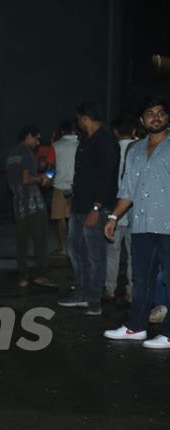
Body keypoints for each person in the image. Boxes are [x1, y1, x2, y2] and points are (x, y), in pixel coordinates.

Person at [103, 97, 170, 348]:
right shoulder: (135, 150)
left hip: (168, 225)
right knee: (141, 279)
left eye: (161, 113)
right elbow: (128, 189)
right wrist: (113, 217)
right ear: (141, 121)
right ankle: (136, 327)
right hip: (141, 225)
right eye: (150, 113)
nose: (156, 117)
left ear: (167, 118)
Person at [57, 101, 119, 316]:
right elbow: (83, 175)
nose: (78, 123)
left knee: (95, 254)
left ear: (85, 118)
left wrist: (96, 207)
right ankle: (81, 292)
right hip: (79, 204)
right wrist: (72, 200)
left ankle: (94, 298)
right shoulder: (86, 140)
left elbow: (108, 177)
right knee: (75, 250)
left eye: (79, 119)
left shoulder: (106, 139)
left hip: (95, 207)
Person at [6, 125, 55, 288]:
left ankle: (23, 277)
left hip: (18, 205)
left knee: (22, 243)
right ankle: (41, 275)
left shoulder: (12, 153)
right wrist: (42, 179)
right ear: (28, 136)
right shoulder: (27, 152)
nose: (38, 142)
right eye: (37, 138)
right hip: (33, 205)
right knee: (40, 241)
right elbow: (26, 179)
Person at [104, 115, 137, 302]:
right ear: (134, 130)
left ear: (115, 132)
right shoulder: (142, 148)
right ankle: (131, 292)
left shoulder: (111, 149)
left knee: (112, 252)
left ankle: (110, 288)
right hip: (133, 209)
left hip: (114, 209)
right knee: (133, 254)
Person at [50, 121, 79, 256]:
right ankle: (76, 247)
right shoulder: (81, 145)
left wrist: (47, 177)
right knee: (75, 218)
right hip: (77, 186)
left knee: (60, 218)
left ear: (61, 131)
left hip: (60, 185)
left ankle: (63, 248)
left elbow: (50, 168)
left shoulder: (55, 146)